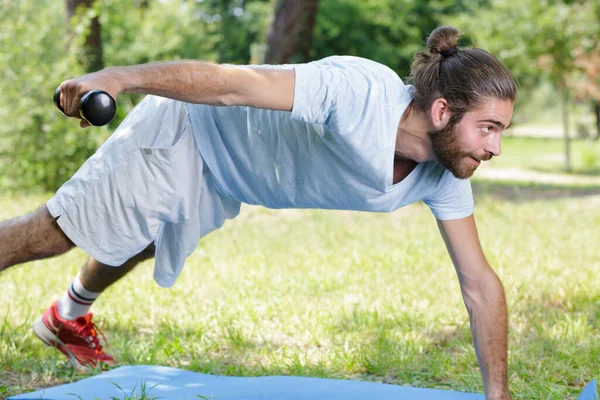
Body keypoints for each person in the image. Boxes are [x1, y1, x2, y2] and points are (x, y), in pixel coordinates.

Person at [0, 25, 515, 400]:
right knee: (53, 234)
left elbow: (480, 284)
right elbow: (233, 83)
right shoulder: (359, 92)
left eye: (501, 132)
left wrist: (498, 398)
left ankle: (66, 317)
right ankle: (66, 313)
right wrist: (119, 77)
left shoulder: (446, 171)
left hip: (227, 177)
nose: (493, 147)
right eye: (487, 128)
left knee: (145, 239)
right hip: (188, 130)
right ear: (443, 111)